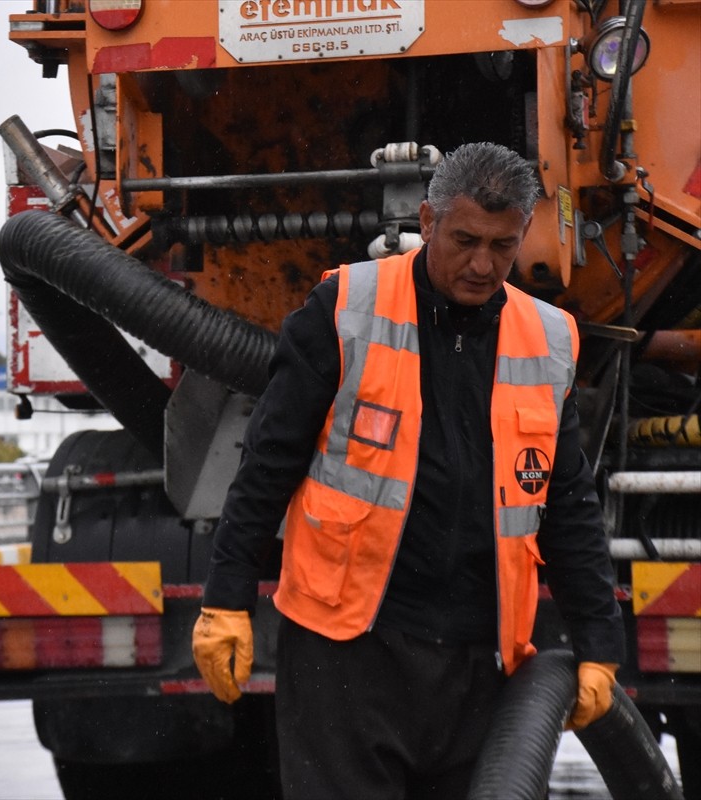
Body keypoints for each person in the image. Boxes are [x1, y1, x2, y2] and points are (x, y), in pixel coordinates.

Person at [191, 142, 626, 799]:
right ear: (427, 221)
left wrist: (598, 641)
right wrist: (225, 599)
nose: (482, 265)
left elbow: (566, 504)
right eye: (465, 240)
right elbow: (267, 464)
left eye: (502, 246)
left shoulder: (550, 340)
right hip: (347, 657)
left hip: (483, 664)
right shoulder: (344, 309)